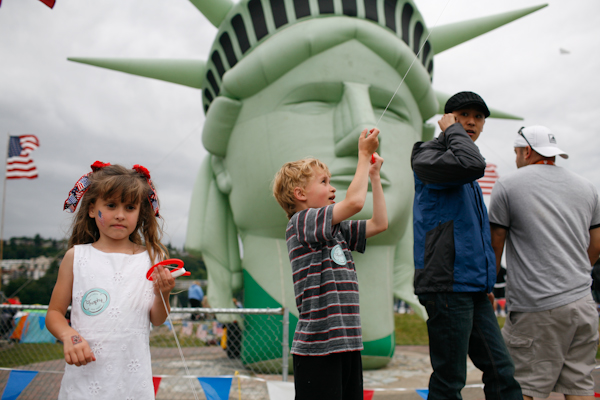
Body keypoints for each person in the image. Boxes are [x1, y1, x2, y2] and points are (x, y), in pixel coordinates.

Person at [411, 91, 522, 400]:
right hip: (446, 285)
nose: (471, 122)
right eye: (463, 115)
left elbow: (472, 233)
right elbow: (473, 164)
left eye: (478, 117)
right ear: (447, 119)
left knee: (502, 371)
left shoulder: (462, 162)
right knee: (450, 380)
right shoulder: (426, 154)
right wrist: (452, 131)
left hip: (473, 288)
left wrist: (487, 281)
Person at [273, 127, 388, 400]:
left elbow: (379, 224)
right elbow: (355, 202)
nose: (332, 187)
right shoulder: (301, 223)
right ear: (300, 194)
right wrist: (363, 155)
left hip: (347, 344)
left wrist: (374, 176)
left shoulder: (338, 230)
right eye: (324, 182)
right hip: (317, 350)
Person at [46, 162, 175, 400]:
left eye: (129, 207)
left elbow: (157, 320)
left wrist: (162, 293)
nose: (119, 214)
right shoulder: (76, 257)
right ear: (93, 209)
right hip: (83, 383)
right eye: (111, 205)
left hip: (133, 383)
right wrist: (70, 337)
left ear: (141, 212)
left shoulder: (153, 258)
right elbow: (54, 312)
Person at [489, 125, 600, 400]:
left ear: (526, 151)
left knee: (524, 387)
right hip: (584, 304)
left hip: (537, 306)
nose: (515, 158)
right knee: (579, 387)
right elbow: (597, 244)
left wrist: (488, 285)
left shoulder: (508, 185)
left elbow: (495, 243)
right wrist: (574, 272)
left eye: (516, 152)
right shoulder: (587, 187)